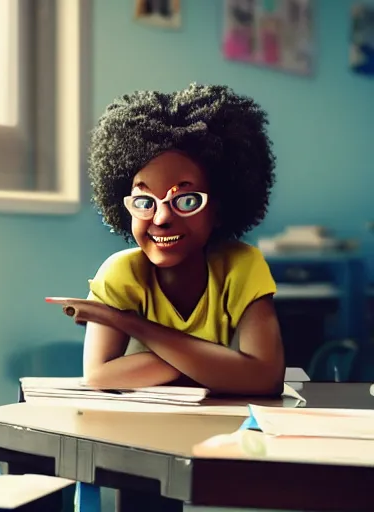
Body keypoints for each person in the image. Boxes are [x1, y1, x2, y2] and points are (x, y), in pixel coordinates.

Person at [47, 83, 285, 396]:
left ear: (220, 208)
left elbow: (267, 379)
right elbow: (99, 375)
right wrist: (216, 366)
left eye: (186, 201)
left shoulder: (242, 266)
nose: (161, 218)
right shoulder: (120, 272)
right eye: (145, 203)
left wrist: (126, 322)